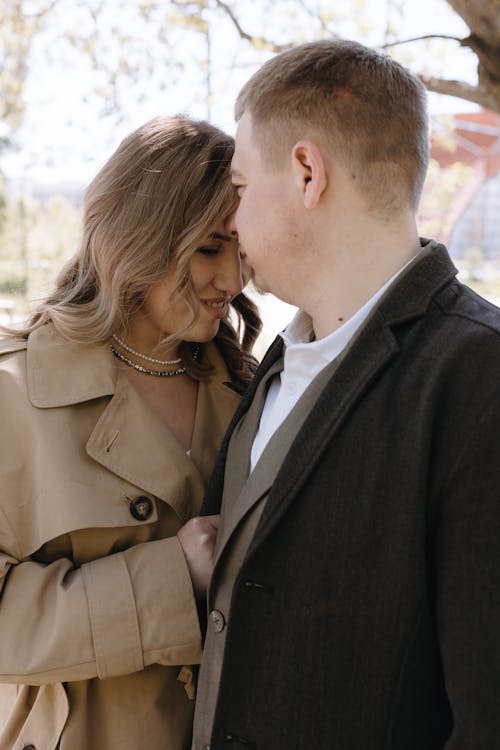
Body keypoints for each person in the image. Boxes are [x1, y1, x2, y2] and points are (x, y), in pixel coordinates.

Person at [191, 39, 500, 749]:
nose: (233, 225)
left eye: (239, 190)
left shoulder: (479, 377)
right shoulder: (275, 363)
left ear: (306, 172)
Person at [0, 114, 261, 750]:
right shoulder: (14, 397)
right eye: (207, 249)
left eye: (242, 250)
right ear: (135, 237)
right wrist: (174, 577)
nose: (231, 280)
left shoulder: (256, 393)